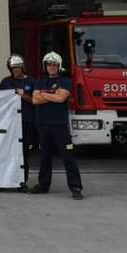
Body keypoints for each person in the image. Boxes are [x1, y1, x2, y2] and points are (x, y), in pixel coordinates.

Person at [30, 51, 84, 200]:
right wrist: (53, 94)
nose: (51, 67)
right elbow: (35, 100)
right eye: (49, 65)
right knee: (45, 158)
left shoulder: (65, 81)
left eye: (54, 65)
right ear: (45, 66)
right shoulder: (39, 81)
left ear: (59, 66)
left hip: (59, 126)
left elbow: (61, 98)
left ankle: (76, 188)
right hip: (42, 125)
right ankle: (43, 186)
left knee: (68, 157)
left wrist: (44, 94)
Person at [0, 53, 35, 191]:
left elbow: (35, 101)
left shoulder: (31, 82)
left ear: (22, 67)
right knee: (7, 151)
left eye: (18, 67)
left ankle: (22, 181)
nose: (16, 70)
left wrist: (23, 95)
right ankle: (6, 180)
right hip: (9, 123)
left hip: (26, 122)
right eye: (13, 68)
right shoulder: (5, 82)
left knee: (23, 153)